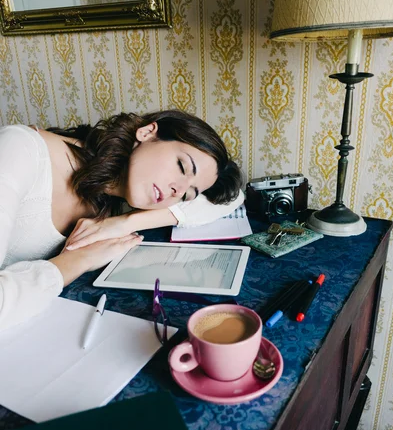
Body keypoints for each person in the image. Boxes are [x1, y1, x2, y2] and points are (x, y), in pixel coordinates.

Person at [0, 109, 243, 331]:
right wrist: (78, 260)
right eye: (181, 166)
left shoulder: (117, 200)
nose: (176, 191)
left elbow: (234, 198)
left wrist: (124, 223)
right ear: (147, 132)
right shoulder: (18, 151)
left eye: (187, 194)